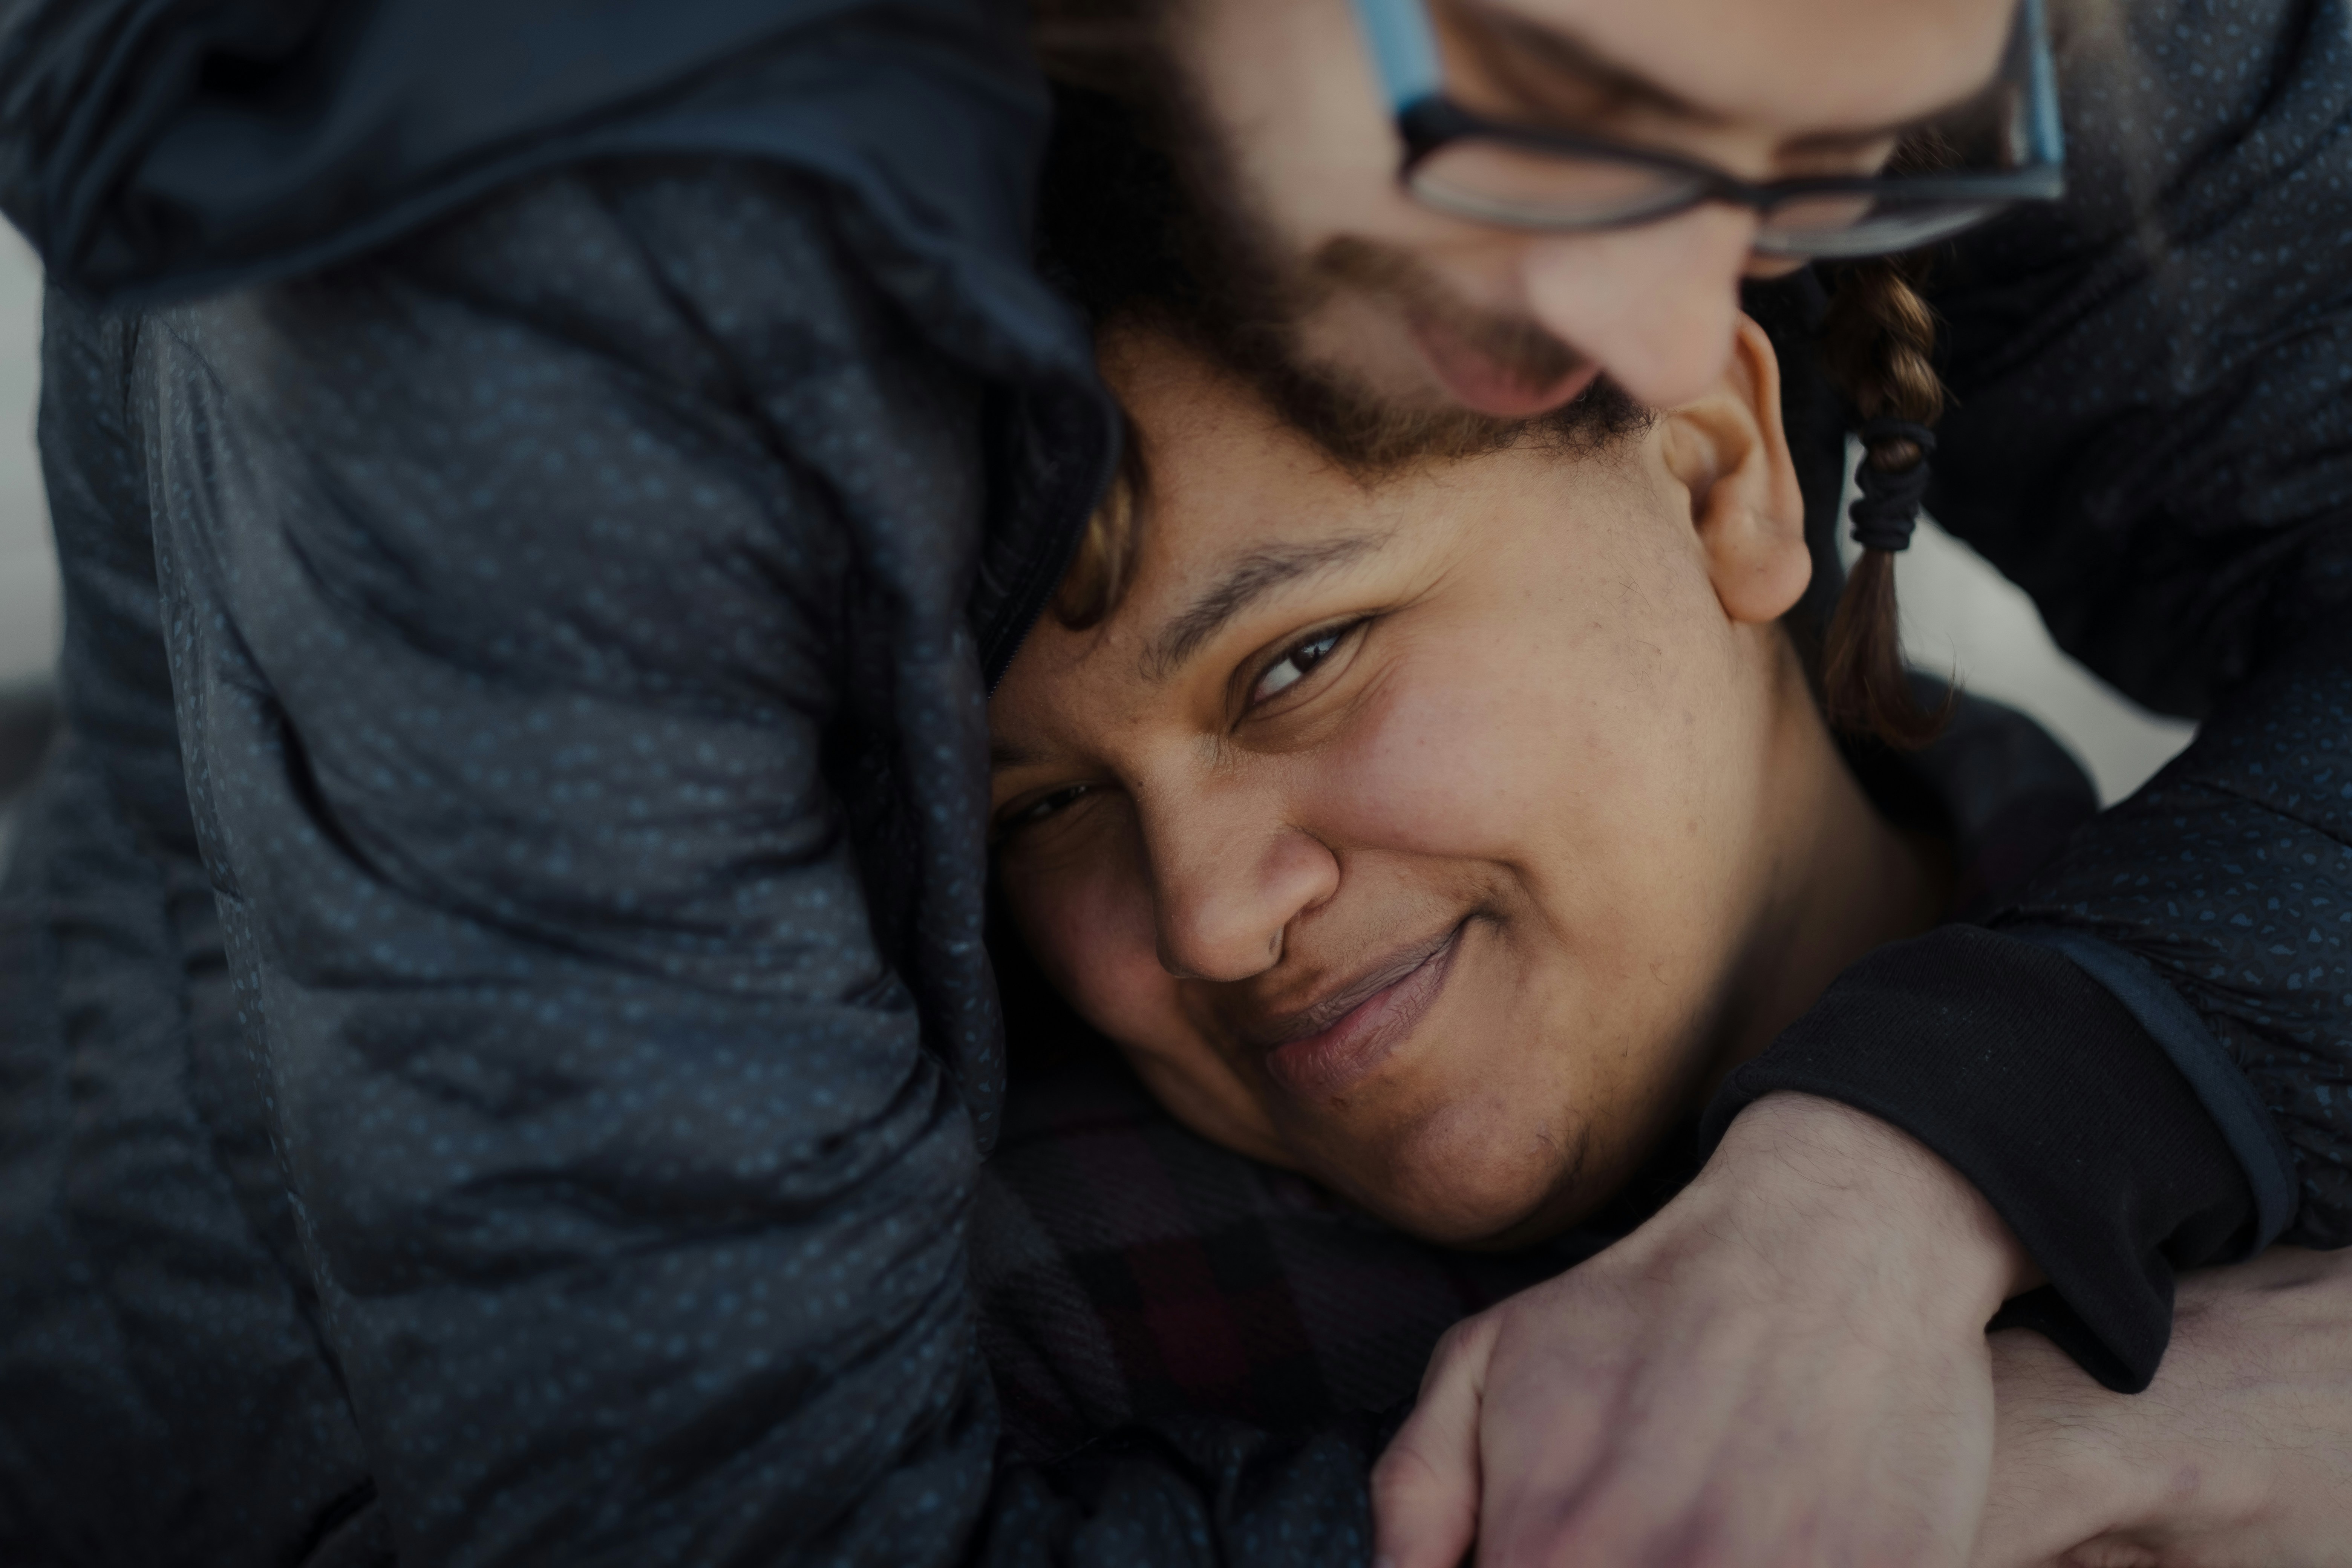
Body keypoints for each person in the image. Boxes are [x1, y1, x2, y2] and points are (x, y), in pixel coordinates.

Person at [0, 0, 2342, 1560]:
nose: (1208, 921)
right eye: (1033, 814)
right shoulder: (530, 323)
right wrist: (2055, 1469)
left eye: (1303, 662)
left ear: (1729, 452)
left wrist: (1933, 1167)